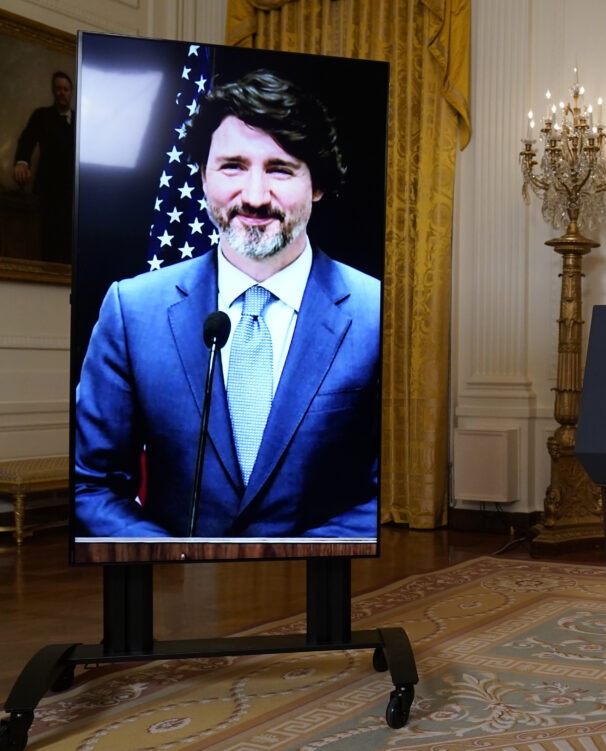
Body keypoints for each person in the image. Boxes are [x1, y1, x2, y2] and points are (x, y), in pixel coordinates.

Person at [74, 69, 380, 540]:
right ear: (201, 176)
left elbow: (384, 494)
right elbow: (92, 487)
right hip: (175, 599)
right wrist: (178, 563)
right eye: (232, 166)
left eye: (280, 169)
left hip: (323, 590)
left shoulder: (377, 313)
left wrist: (283, 566)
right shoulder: (132, 310)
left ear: (317, 184)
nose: (255, 197)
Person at [12, 70, 76, 264]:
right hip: (49, 192)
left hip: (74, 195)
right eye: (58, 89)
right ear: (53, 91)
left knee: (69, 249)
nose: (62, 93)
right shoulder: (42, 116)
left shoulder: (81, 120)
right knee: (48, 245)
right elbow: (27, 140)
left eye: (65, 89)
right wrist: (22, 162)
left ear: (71, 92)